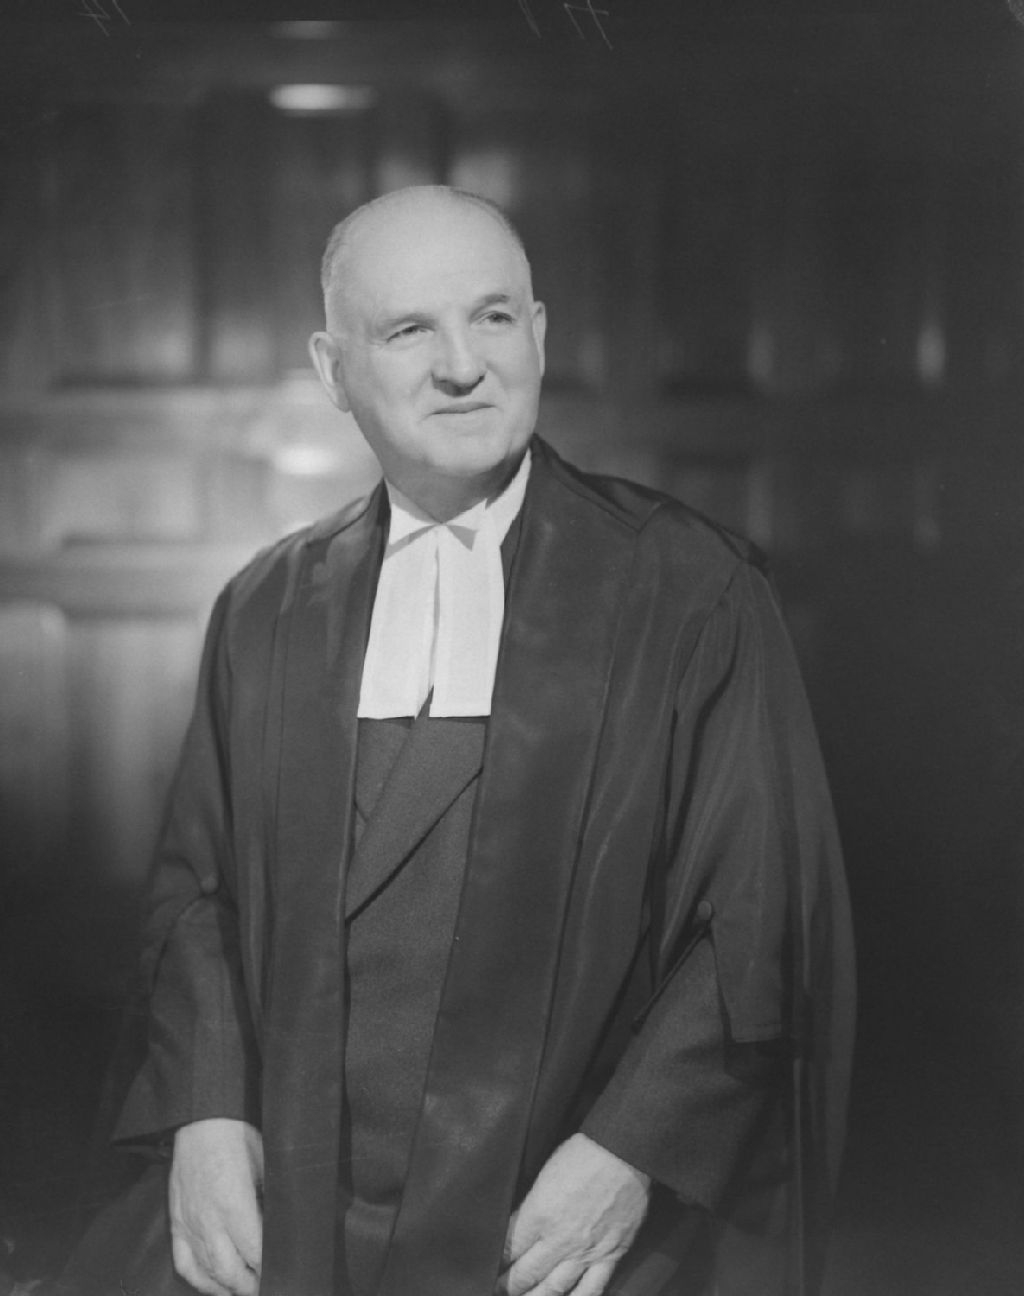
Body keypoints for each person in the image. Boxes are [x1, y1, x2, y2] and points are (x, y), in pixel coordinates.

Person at [55, 185, 854, 1296]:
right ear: (333, 370)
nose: (463, 365)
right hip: (302, 1203)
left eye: (492, 317)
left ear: (539, 335)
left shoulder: (687, 590)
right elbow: (199, 896)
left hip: (559, 1220)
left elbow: (760, 921)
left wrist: (630, 1151)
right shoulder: (266, 607)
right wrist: (205, 1110)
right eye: (408, 331)